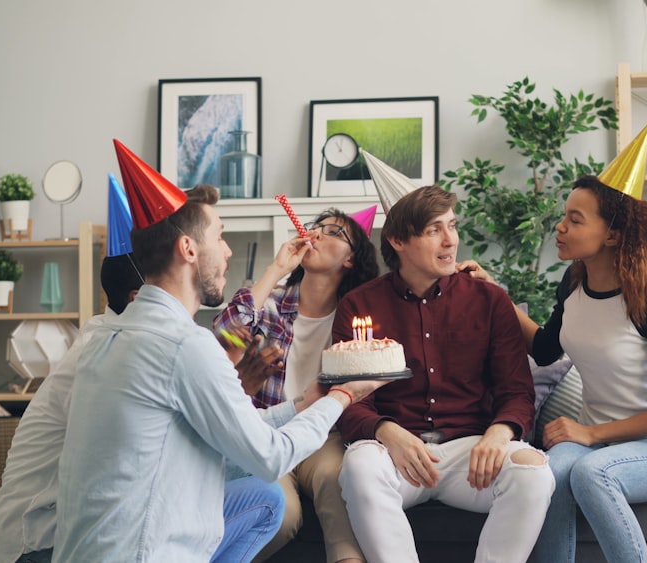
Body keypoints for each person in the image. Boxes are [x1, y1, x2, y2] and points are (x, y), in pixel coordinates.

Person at [52, 145, 390, 562]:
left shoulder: (109, 335)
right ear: (189, 250)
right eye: (221, 236)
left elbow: (234, 428)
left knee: (267, 501)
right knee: (271, 493)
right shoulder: (185, 346)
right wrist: (342, 396)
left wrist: (308, 401)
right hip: (143, 552)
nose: (229, 251)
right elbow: (269, 455)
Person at [459, 127, 647, 563]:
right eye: (564, 216)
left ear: (611, 235)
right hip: (594, 441)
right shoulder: (572, 285)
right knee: (545, 473)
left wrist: (590, 432)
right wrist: (497, 293)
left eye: (575, 219)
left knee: (590, 473)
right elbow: (546, 349)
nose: (561, 226)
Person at [333, 185, 555, 563]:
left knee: (534, 472)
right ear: (398, 240)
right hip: (396, 452)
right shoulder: (359, 305)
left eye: (452, 226)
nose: (451, 240)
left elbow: (517, 392)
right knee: (358, 465)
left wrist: (498, 434)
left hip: (469, 454)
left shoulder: (489, 300)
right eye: (434, 229)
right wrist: (388, 433)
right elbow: (348, 400)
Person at [213, 207, 379, 563]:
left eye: (334, 232)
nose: (317, 234)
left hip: (324, 435)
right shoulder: (270, 305)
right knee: (283, 514)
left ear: (351, 260)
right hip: (270, 433)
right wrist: (276, 270)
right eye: (316, 227)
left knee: (338, 484)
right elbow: (221, 336)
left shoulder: (354, 321)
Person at [0, 254, 145, 563]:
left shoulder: (118, 339)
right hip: (36, 546)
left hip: (68, 532)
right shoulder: (101, 353)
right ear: (138, 299)